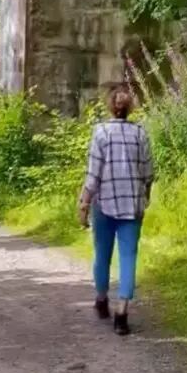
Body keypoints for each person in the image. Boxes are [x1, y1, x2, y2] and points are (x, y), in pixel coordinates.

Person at [78, 83, 154, 336]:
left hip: (105, 204)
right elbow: (147, 172)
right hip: (132, 206)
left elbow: (93, 174)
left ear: (110, 107)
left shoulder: (100, 132)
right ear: (129, 108)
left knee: (102, 254)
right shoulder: (140, 133)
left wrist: (84, 203)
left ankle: (101, 300)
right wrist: (146, 196)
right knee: (128, 257)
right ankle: (122, 312)